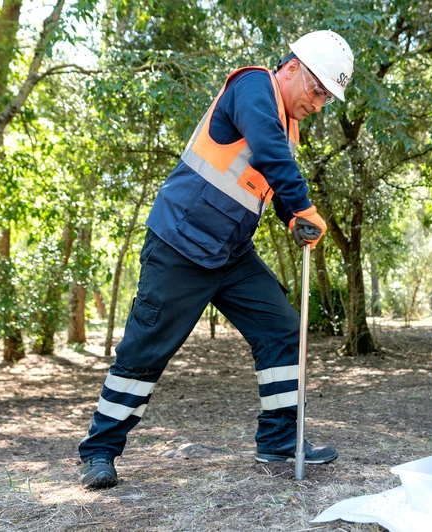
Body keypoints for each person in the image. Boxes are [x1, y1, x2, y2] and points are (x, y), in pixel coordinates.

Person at [78, 30, 354, 489]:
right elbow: (266, 151)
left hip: (230, 254)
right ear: (292, 69)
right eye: (318, 90)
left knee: (283, 330)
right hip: (180, 244)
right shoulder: (252, 87)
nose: (320, 103)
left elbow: (266, 178)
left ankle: (280, 440)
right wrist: (303, 203)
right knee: (145, 350)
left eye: (327, 97)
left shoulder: (287, 128)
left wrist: (293, 217)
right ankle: (99, 451)